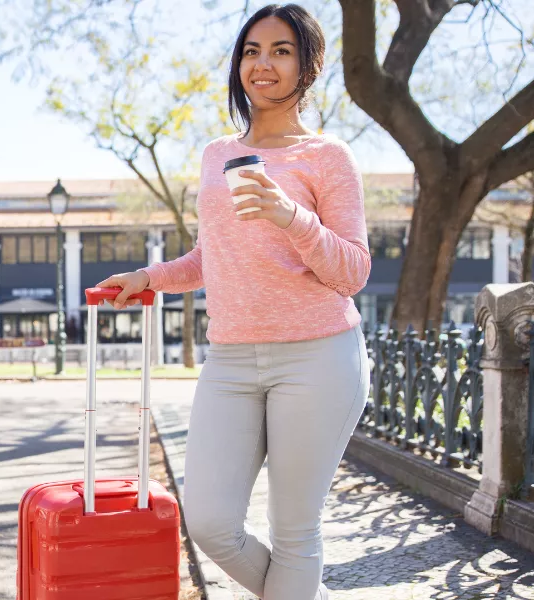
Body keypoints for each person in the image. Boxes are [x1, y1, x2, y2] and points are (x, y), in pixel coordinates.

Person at [97, 5, 369, 599]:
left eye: (280, 50)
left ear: (309, 64)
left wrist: (290, 217)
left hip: (318, 356)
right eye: (251, 51)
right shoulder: (218, 154)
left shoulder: (327, 157)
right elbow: (208, 257)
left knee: (295, 533)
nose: (262, 64)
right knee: (212, 522)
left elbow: (352, 271)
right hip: (232, 359)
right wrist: (148, 278)